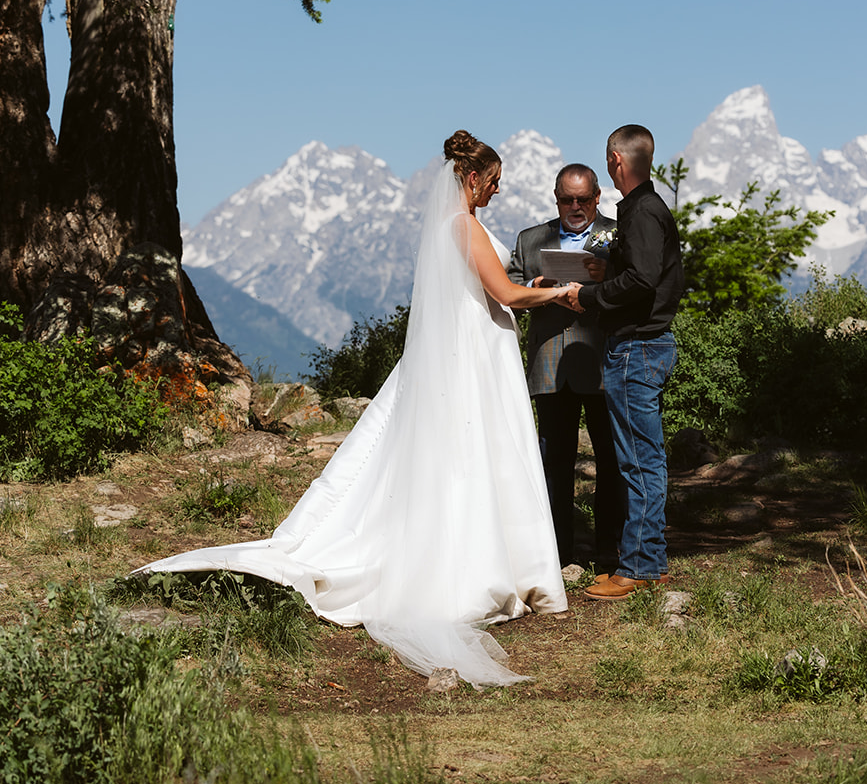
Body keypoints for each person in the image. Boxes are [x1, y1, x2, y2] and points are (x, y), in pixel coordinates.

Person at [136, 131, 573, 686]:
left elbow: (489, 287)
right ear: (470, 179)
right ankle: (479, 568)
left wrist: (531, 283)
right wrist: (557, 293)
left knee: (461, 459)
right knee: (472, 456)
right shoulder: (463, 225)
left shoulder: (454, 227)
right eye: (492, 182)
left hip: (467, 352)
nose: (496, 190)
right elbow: (505, 297)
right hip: (472, 360)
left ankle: (487, 558)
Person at [565, 125, 684, 600]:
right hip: (639, 345)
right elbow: (640, 273)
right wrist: (606, 269)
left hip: (637, 347)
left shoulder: (642, 213)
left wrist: (587, 295)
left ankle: (639, 567)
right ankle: (644, 559)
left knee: (639, 460)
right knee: (640, 457)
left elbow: (643, 280)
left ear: (616, 160)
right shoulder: (643, 210)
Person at [507, 164, 624, 571]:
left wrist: (606, 275)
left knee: (610, 458)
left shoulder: (617, 233)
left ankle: (609, 547)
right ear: (555, 198)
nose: (574, 207)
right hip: (550, 361)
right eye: (566, 200)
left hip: (602, 359)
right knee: (554, 462)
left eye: (582, 199)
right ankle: (557, 552)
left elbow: (637, 286)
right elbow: (509, 290)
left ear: (597, 198)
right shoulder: (530, 239)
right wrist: (538, 289)